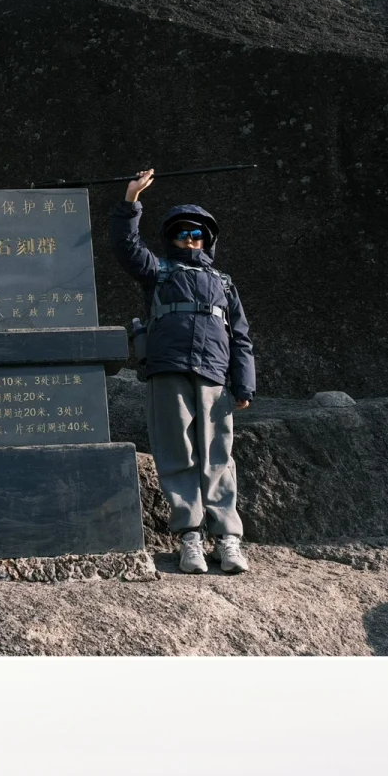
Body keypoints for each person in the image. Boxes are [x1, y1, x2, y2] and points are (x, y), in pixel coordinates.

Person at [110, 169, 255, 574]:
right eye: (181, 234)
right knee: (177, 453)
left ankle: (227, 539)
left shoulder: (223, 283)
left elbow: (241, 337)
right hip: (167, 370)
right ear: (171, 239)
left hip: (214, 375)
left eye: (196, 234)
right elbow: (125, 245)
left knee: (218, 456)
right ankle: (190, 537)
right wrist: (131, 200)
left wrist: (244, 384)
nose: (189, 240)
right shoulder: (157, 271)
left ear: (207, 239)